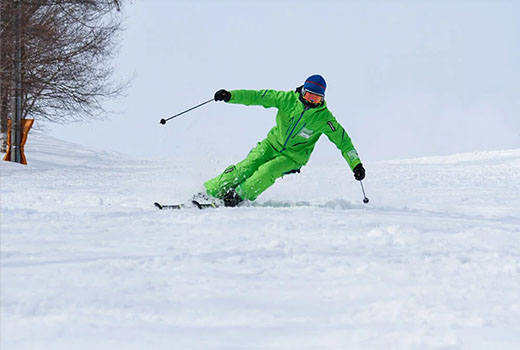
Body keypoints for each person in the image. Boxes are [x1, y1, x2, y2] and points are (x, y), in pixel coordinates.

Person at [199, 74, 365, 207]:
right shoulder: (286, 99)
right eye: (308, 96)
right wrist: (231, 96)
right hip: (271, 145)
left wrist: (356, 164)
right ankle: (209, 192)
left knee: (267, 171)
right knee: (246, 166)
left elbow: (344, 142)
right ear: (302, 91)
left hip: (293, 157)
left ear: (322, 99)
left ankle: (235, 197)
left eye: (315, 99)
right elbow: (257, 97)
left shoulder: (325, 119)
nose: (310, 102)